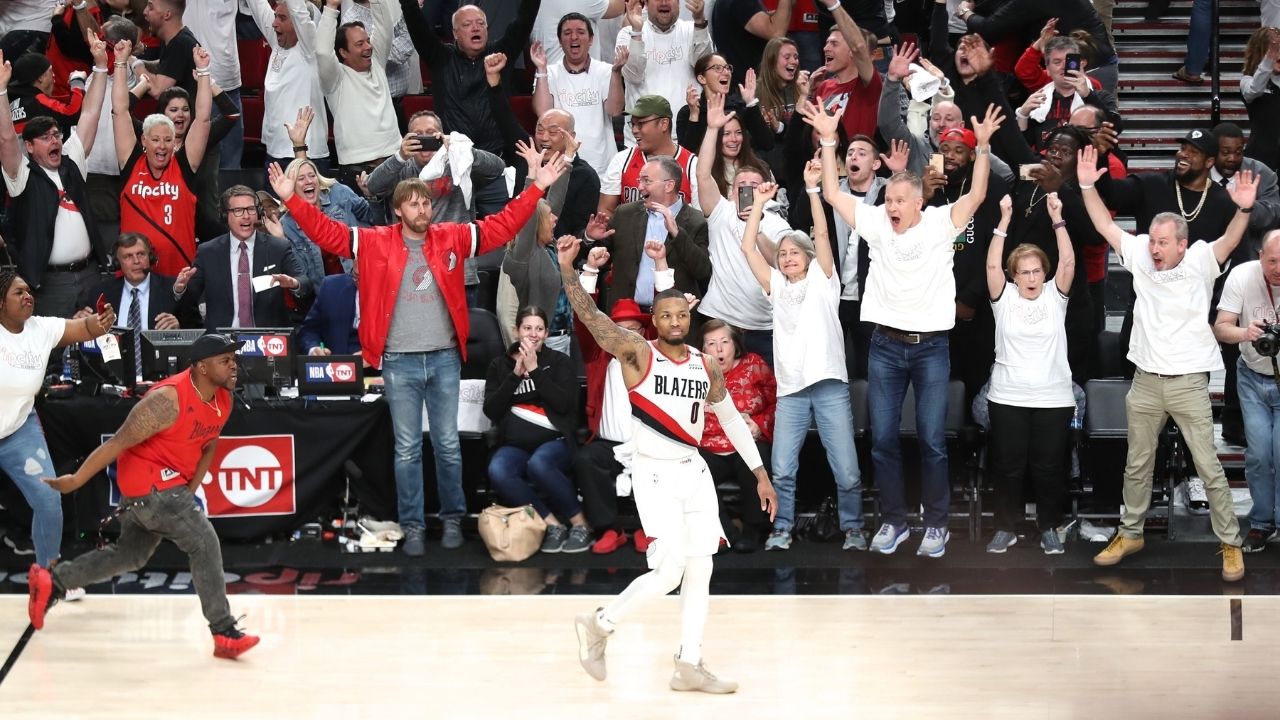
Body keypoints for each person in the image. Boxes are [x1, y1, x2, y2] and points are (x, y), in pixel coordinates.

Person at [267, 151, 570, 555]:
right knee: (407, 448)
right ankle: (411, 525)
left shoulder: (452, 236)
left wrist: (536, 187)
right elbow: (327, 233)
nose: (423, 207)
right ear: (397, 210)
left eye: (426, 201)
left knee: (447, 445)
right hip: (398, 361)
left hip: (444, 357)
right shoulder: (374, 241)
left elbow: (501, 226)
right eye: (414, 202)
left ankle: (451, 520)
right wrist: (293, 200)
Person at [559, 234, 777, 694]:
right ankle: (600, 622)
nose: (675, 321)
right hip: (654, 472)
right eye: (666, 315)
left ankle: (689, 662)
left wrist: (759, 472)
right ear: (653, 321)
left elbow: (732, 419)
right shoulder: (638, 353)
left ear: (689, 319)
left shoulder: (705, 363)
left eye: (682, 315)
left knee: (702, 568)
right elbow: (592, 318)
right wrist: (567, 270)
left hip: (693, 471)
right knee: (671, 570)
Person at [809, 99, 1003, 558]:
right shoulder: (876, 221)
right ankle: (894, 522)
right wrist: (830, 138)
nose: (892, 207)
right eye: (889, 200)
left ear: (918, 202)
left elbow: (975, 198)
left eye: (900, 201)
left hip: (932, 347)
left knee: (934, 442)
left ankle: (936, 525)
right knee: (883, 440)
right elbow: (835, 195)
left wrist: (985, 145)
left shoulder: (938, 223)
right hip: (884, 347)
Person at [1078, 145, 1255, 583]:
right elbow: (1103, 223)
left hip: (1189, 383)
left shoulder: (1199, 261)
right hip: (1145, 381)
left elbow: (1231, 240)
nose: (1154, 249)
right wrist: (1085, 184)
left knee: (1208, 465)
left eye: (1163, 243)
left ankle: (1230, 543)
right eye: (1152, 241)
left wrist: (1243, 210)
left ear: (1181, 244)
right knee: (1136, 464)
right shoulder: (1138, 253)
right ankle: (1131, 531)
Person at [28, 333, 260, 659]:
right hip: (148, 485)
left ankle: (53, 581)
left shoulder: (224, 397)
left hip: (169, 489)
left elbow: (210, 444)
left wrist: (189, 492)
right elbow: (117, 443)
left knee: (130, 555)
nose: (233, 366)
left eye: (234, 360)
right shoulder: (166, 401)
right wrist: (76, 479)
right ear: (201, 367)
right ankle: (223, 632)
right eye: (225, 361)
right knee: (203, 541)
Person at [740, 170, 864, 551]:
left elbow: (823, 234)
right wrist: (757, 205)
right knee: (782, 469)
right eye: (783, 254)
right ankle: (782, 529)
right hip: (791, 390)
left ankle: (854, 528)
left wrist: (812, 190)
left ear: (809, 258)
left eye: (795, 252)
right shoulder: (776, 285)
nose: (788, 257)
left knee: (845, 469)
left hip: (828, 385)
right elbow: (748, 249)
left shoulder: (824, 281)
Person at [0, 271, 115, 569]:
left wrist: (100, 323)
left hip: (18, 428)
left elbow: (83, 328)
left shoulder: (41, 328)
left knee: (49, 499)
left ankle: (49, 574)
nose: (28, 295)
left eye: (28, 289)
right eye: (18, 292)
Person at [983, 193, 1076, 555]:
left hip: (1054, 398)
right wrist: (1004, 219)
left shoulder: (1056, 296)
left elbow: (1068, 261)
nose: (1032, 277)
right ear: (1014, 275)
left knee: (1049, 468)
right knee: (1008, 467)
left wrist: (1058, 218)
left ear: (1045, 273)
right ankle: (1006, 528)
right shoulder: (1004, 298)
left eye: (1037, 270)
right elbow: (991, 267)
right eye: (1025, 271)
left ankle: (1049, 526)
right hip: (1008, 397)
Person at [0, 37, 110, 321]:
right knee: (55, 356)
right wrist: (1, 90)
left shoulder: (72, 161)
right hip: (49, 284)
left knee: (99, 352)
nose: (55, 141)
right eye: (46, 137)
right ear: (30, 146)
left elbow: (90, 113)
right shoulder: (20, 174)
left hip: (90, 275)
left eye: (57, 135)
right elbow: (6, 138)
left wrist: (100, 67)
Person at [694, 94, 792, 364]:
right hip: (721, 321)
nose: (747, 188)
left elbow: (780, 263)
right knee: (717, 394)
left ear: (766, 191)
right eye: (741, 184)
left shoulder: (776, 223)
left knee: (765, 395)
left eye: (755, 185)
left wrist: (756, 228)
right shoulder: (721, 212)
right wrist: (713, 128)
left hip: (764, 325)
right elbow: (702, 175)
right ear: (732, 190)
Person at [483, 306, 589, 553]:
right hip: (514, 445)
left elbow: (565, 405)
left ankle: (580, 524)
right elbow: (491, 410)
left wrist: (535, 372)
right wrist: (515, 376)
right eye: (527, 328)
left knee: (539, 464)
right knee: (498, 469)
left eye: (539, 329)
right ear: (516, 331)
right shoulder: (499, 365)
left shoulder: (560, 362)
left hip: (556, 441)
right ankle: (552, 524)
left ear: (547, 333)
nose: (533, 334)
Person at [112, 39, 212, 277]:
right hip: (136, 277)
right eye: (155, 139)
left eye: (168, 140)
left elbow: (203, 119)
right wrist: (120, 63)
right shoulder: (132, 162)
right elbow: (119, 112)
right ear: (144, 141)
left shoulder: (183, 166)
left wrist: (204, 71)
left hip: (180, 275)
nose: (162, 145)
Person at [1213, 230, 1280, 553]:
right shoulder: (1242, 275)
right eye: (1272, 261)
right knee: (1258, 454)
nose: (1278, 268)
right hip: (1252, 376)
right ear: (1260, 257)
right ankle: (1262, 522)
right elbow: (1221, 326)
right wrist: (1245, 332)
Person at [173, 186, 310, 330]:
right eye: (238, 211)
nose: (246, 216)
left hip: (268, 342)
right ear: (225, 215)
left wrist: (294, 283)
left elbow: (305, 283)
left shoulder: (278, 248)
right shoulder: (208, 252)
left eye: (251, 209)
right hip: (222, 343)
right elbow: (189, 299)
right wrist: (180, 289)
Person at [698, 319, 775, 552]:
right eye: (711, 344)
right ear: (703, 349)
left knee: (756, 459)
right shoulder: (695, 371)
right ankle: (726, 531)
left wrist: (760, 425)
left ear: (735, 344)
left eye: (724, 342)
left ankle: (752, 530)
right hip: (709, 446)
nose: (719, 349)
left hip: (745, 442)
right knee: (693, 469)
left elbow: (779, 403)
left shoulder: (754, 365)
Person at [317, 0, 403, 193]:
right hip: (356, 170)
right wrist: (331, 8)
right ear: (343, 52)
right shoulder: (334, 78)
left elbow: (384, 25)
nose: (368, 47)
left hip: (394, 163)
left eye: (367, 41)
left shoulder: (377, 62)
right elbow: (322, 52)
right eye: (359, 44)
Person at [529, 14, 626, 177]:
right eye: (567, 33)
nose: (574, 37)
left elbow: (615, 110)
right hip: (561, 165)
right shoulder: (549, 72)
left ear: (590, 40)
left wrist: (616, 73)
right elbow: (542, 112)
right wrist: (541, 70)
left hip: (602, 165)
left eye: (580, 32)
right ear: (560, 41)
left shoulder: (605, 70)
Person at [241, 0, 331, 171]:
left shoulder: (309, 50)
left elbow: (298, 12)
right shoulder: (277, 42)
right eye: (275, 16)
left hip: (307, 156)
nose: (274, 23)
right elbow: (257, 4)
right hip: (274, 154)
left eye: (282, 18)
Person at [614, 0, 713, 148]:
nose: (664, 2)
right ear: (646, 2)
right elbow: (634, 75)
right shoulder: (628, 33)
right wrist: (636, 31)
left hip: (689, 135)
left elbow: (704, 69)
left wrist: (699, 21)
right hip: (640, 142)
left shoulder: (693, 30)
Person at [299, 269, 360, 356]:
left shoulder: (385, 290)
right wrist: (313, 348)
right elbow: (309, 331)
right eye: (355, 276)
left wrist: (376, 358)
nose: (358, 280)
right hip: (334, 364)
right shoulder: (331, 285)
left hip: (378, 367)